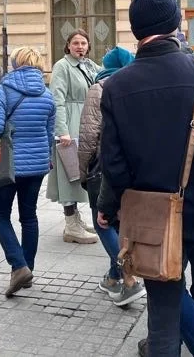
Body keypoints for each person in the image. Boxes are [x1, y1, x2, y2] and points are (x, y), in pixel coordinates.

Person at [98, 0, 194, 357]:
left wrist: (109, 206)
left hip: (154, 220)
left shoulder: (116, 86)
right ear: (176, 24)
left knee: (163, 318)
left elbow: (114, 165)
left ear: (135, 31)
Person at [0, 46, 55, 296]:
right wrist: (46, 160)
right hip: (36, 166)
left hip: (8, 165)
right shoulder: (47, 94)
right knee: (29, 216)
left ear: (15, 63)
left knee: (0, 215)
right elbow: (49, 134)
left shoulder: (2, 90)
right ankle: (28, 269)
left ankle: (19, 265)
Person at [77, 45, 147, 306]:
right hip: (134, 166)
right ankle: (113, 277)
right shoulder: (136, 84)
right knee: (120, 222)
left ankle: (129, 279)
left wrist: (83, 170)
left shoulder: (100, 88)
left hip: (103, 166)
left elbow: (88, 135)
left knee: (102, 222)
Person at [48, 29, 100, 244]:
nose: (80, 46)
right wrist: (62, 131)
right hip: (70, 123)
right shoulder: (62, 66)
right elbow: (56, 99)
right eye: (76, 43)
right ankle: (71, 224)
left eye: (83, 43)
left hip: (86, 122)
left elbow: (107, 75)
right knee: (69, 174)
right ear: (68, 45)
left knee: (82, 173)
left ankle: (76, 219)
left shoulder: (88, 65)